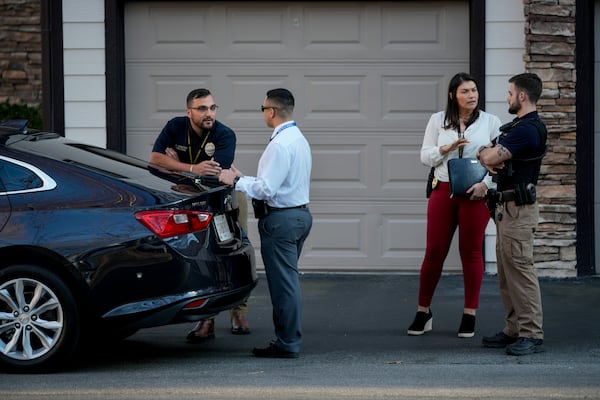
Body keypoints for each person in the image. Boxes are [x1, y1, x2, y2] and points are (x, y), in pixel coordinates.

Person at [150, 88, 251, 342]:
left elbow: (215, 175)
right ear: (189, 112)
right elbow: (154, 160)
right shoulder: (175, 127)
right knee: (204, 257)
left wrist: (175, 164)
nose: (209, 113)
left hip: (225, 200)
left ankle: (239, 312)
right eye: (203, 109)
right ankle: (207, 320)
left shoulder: (225, 134)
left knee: (235, 250)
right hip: (190, 202)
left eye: (213, 108)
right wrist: (191, 167)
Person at [219, 88, 312, 358]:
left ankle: (287, 343)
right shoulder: (298, 139)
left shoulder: (280, 144)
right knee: (289, 281)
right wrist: (245, 177)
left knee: (284, 285)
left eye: (263, 109)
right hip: (299, 215)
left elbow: (267, 189)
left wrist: (235, 180)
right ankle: (288, 338)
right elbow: (275, 184)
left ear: (271, 111)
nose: (263, 113)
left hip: (281, 220)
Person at [407, 72, 501, 338]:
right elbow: (425, 156)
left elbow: (500, 162)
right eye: (465, 92)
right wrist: (445, 148)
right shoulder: (438, 120)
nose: (471, 95)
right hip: (443, 189)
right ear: (453, 95)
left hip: (476, 193)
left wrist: (485, 186)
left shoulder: (491, 122)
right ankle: (423, 311)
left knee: (471, 252)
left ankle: (469, 313)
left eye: (474, 90)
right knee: (434, 251)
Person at [477, 73, 547, 356]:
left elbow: (491, 157)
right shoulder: (516, 127)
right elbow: (485, 151)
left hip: (519, 210)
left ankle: (532, 333)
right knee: (506, 273)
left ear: (521, 96)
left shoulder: (528, 129)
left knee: (521, 271)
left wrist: (488, 154)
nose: (506, 97)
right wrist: (487, 151)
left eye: (509, 93)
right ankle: (514, 329)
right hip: (506, 209)